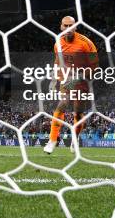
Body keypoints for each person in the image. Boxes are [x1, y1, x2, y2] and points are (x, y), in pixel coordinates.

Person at [44, 16, 98, 155]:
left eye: (71, 26)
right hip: (66, 79)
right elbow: (57, 60)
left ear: (76, 27)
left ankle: (75, 138)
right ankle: (52, 139)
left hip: (82, 80)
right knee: (62, 104)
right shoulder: (58, 43)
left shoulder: (86, 43)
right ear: (61, 27)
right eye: (65, 26)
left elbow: (95, 65)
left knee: (78, 114)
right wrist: (54, 79)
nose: (68, 29)